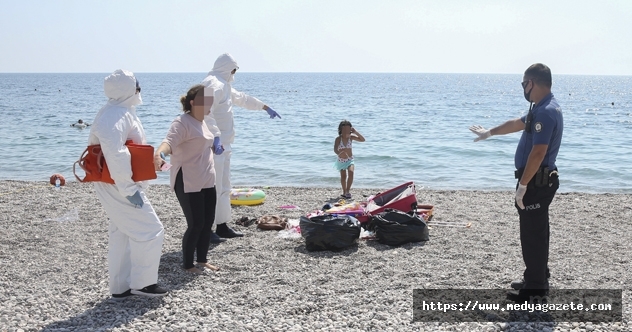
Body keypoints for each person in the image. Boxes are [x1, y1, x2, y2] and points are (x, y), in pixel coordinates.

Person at [469, 63, 563, 302]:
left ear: (532, 82)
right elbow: (517, 123)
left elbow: (538, 153)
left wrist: (523, 185)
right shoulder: (541, 107)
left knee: (532, 234)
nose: (523, 88)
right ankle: (537, 275)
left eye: (524, 84)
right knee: (537, 231)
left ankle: (535, 287)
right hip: (537, 181)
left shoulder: (545, 111)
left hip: (536, 182)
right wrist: (489, 132)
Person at [88, 69, 167, 299]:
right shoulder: (116, 115)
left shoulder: (118, 111)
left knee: (122, 232)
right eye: (136, 86)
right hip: (118, 185)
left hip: (117, 183)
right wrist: (128, 189)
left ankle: (120, 287)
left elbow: (128, 149)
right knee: (151, 230)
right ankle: (143, 284)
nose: (139, 90)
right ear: (128, 90)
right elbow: (117, 154)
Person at [201, 53, 282, 242]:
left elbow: (243, 99)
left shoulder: (224, 84)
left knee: (223, 187)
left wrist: (264, 107)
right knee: (211, 188)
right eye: (234, 70)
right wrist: (215, 137)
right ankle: (207, 229)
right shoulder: (213, 84)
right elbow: (204, 112)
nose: (234, 73)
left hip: (224, 145)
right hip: (213, 146)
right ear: (227, 68)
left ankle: (221, 225)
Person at [154, 84, 221, 274]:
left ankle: (202, 260)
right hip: (188, 179)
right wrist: (160, 155)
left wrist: (216, 145)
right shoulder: (182, 122)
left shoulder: (203, 121)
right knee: (196, 223)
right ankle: (187, 264)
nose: (209, 103)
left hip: (207, 179)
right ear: (192, 102)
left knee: (208, 222)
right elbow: (168, 142)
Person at [333, 120, 365, 199]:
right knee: (343, 177)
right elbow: (335, 149)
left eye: (348, 129)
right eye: (345, 129)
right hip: (341, 160)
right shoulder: (338, 139)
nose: (347, 131)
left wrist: (356, 132)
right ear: (341, 130)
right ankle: (344, 191)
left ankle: (348, 191)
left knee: (351, 172)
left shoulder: (351, 138)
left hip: (350, 159)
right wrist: (339, 154)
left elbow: (362, 139)